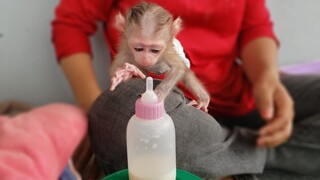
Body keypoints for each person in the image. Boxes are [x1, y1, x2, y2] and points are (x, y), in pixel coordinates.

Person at [51, 0, 320, 179]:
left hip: (236, 95)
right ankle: (282, 161)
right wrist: (94, 106)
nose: (146, 56)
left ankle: (238, 165)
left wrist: (267, 79)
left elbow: (255, 28)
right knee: (142, 125)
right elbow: (71, 23)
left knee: (176, 149)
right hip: (152, 102)